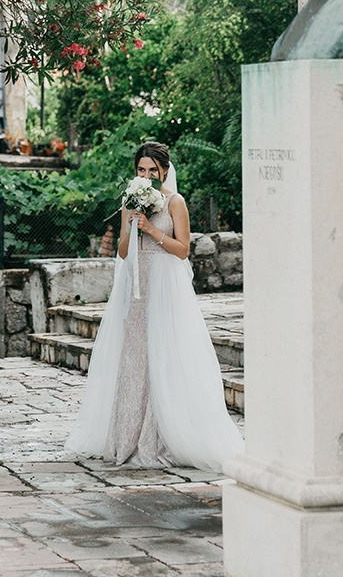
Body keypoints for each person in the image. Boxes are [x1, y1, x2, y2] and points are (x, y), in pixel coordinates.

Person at [66, 141, 244, 472]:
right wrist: (132, 226)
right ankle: (128, 438)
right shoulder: (130, 202)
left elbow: (182, 250)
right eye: (140, 170)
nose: (146, 175)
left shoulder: (175, 202)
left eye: (152, 170)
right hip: (137, 287)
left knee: (164, 354)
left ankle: (161, 438)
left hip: (165, 287)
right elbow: (121, 252)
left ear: (164, 169)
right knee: (134, 357)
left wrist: (150, 228)